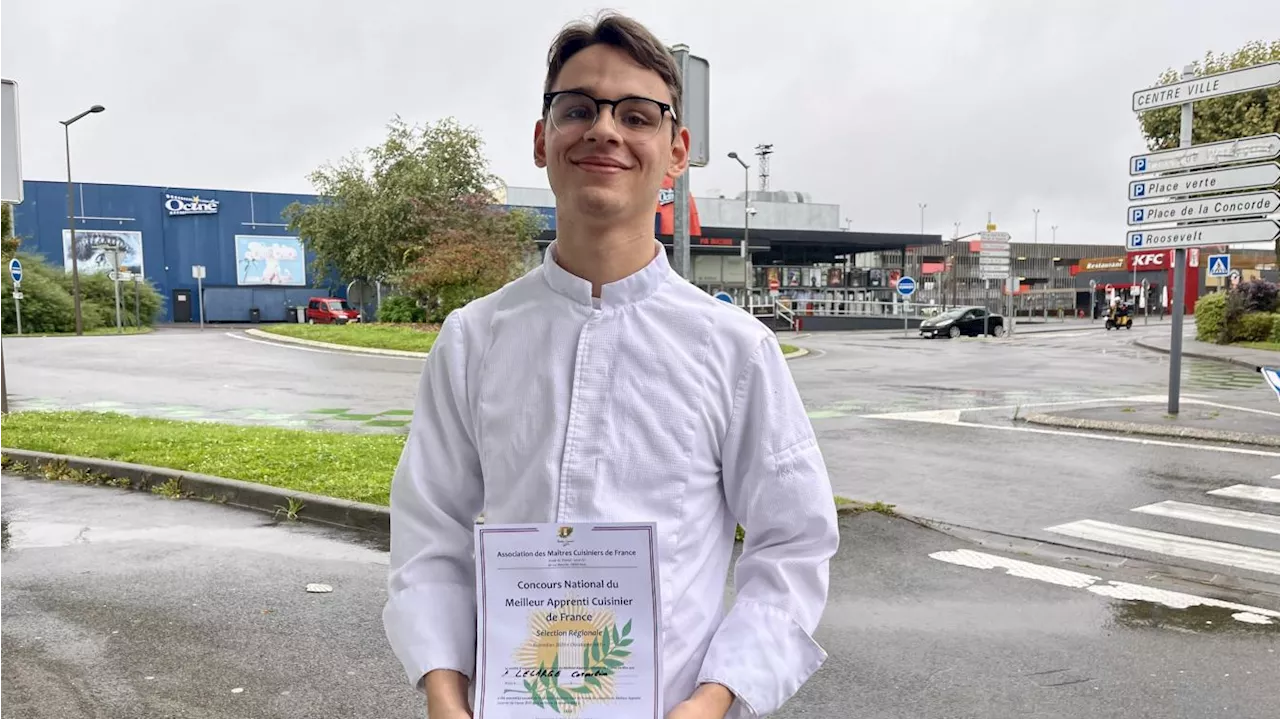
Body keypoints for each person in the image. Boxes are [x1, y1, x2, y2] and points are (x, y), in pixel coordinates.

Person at [382, 12, 839, 719]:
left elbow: (794, 543)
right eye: (577, 109)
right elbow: (428, 531)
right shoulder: (474, 338)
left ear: (676, 149)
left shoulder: (734, 351)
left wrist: (716, 697)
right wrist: (445, 691)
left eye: (637, 115)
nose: (604, 130)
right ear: (542, 139)